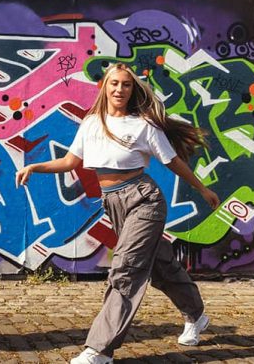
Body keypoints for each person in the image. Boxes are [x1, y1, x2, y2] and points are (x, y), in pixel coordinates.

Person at [15, 63, 220, 364]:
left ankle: (100, 349)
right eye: (114, 84)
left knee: (125, 269)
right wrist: (35, 167)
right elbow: (71, 162)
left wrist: (202, 189)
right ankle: (197, 314)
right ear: (104, 87)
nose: (119, 89)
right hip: (112, 202)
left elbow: (172, 161)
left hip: (144, 201)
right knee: (161, 265)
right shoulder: (91, 123)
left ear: (132, 89)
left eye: (125, 84)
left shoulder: (143, 126)